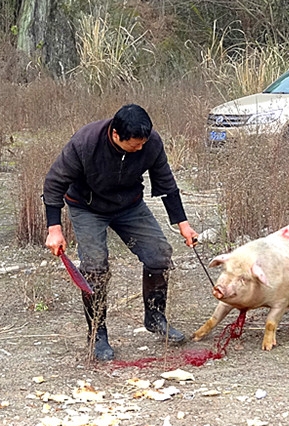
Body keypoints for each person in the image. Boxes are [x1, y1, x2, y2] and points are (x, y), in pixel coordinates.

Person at [43, 104, 199, 361]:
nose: (140, 149)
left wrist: (183, 224)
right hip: (87, 207)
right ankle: (97, 334)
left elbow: (166, 182)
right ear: (116, 135)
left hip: (129, 205)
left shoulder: (151, 143)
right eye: (135, 145)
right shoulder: (85, 143)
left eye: (143, 144)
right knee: (95, 266)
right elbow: (54, 183)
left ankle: (155, 316)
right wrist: (54, 229)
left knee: (159, 254)